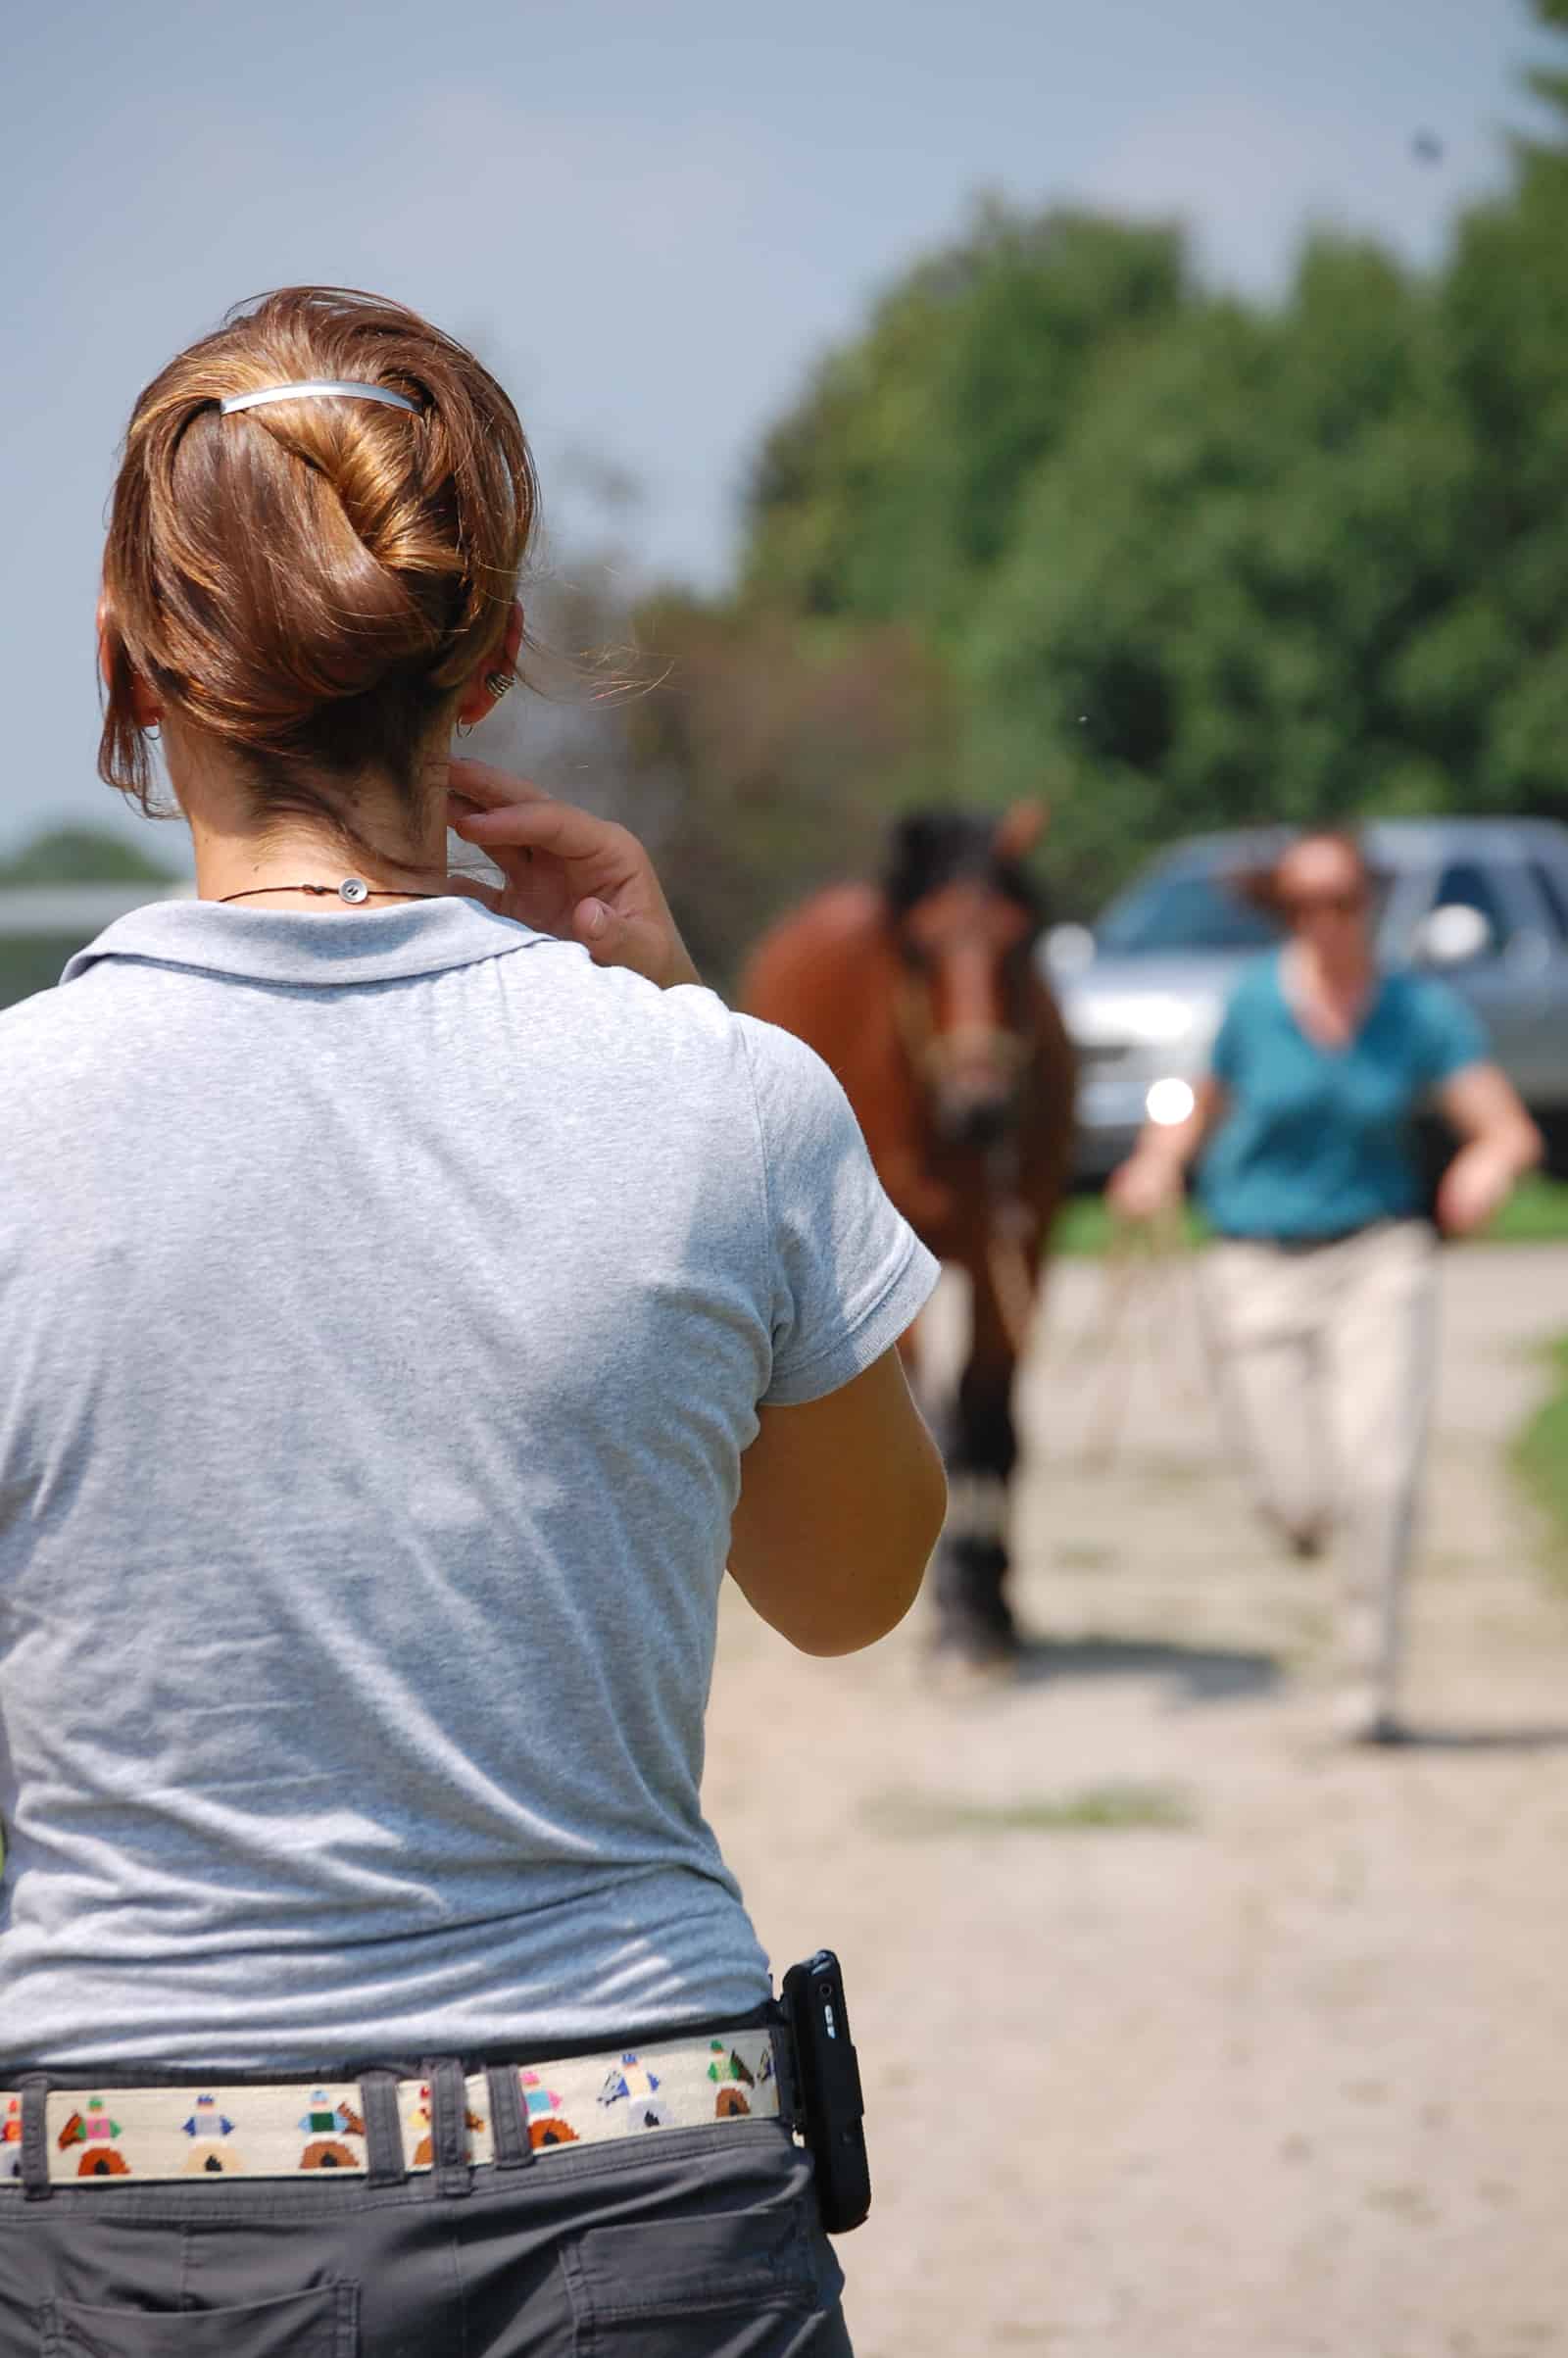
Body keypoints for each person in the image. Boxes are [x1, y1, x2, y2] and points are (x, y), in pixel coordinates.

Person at [0, 288, 947, 2353]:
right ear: (491, 652)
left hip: (133, 2215)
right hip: (646, 2186)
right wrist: (675, 1008)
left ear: (131, 655)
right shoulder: (722, 1099)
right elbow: (854, 1585)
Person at [1108, 827, 1542, 1743]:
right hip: (1254, 1262)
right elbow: (1193, 1099)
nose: (1325, 920)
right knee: (1299, 1496)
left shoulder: (1418, 1012)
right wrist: (1156, 1160)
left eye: (1341, 901)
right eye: (1305, 905)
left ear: (1368, 903)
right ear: (1285, 911)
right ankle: (1305, 1523)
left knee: (1380, 1477)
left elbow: (1507, 1127)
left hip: (1380, 1257)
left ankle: (1367, 1682)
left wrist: (1487, 1166)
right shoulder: (1252, 1002)